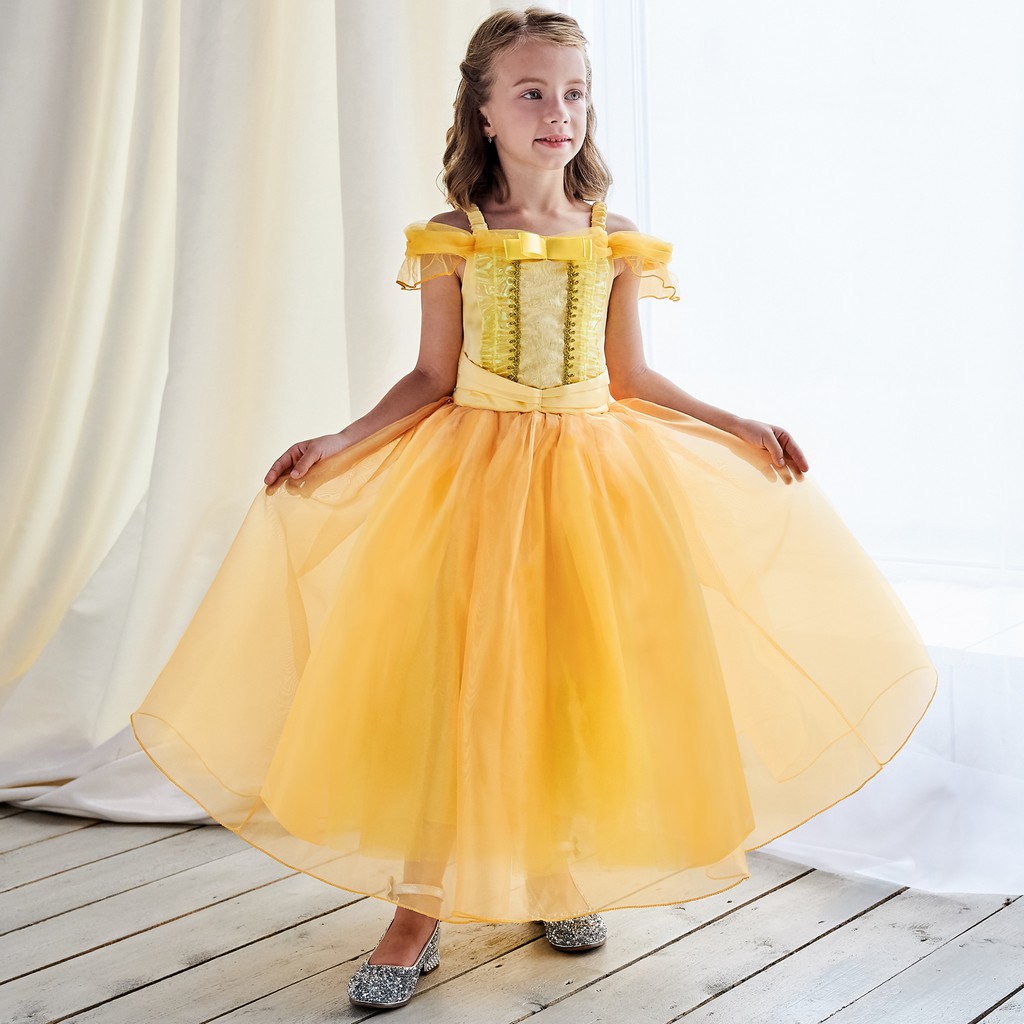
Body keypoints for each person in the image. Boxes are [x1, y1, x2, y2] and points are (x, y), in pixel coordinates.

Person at [130, 6, 938, 1012]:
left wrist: (736, 423)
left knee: (575, 680)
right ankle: (418, 907)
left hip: (594, 483)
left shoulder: (615, 238)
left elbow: (630, 377)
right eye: (531, 93)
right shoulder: (456, 238)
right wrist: (342, 439)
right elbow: (431, 376)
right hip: (473, 481)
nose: (558, 111)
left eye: (574, 93)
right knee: (454, 685)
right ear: (483, 110)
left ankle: (559, 871)